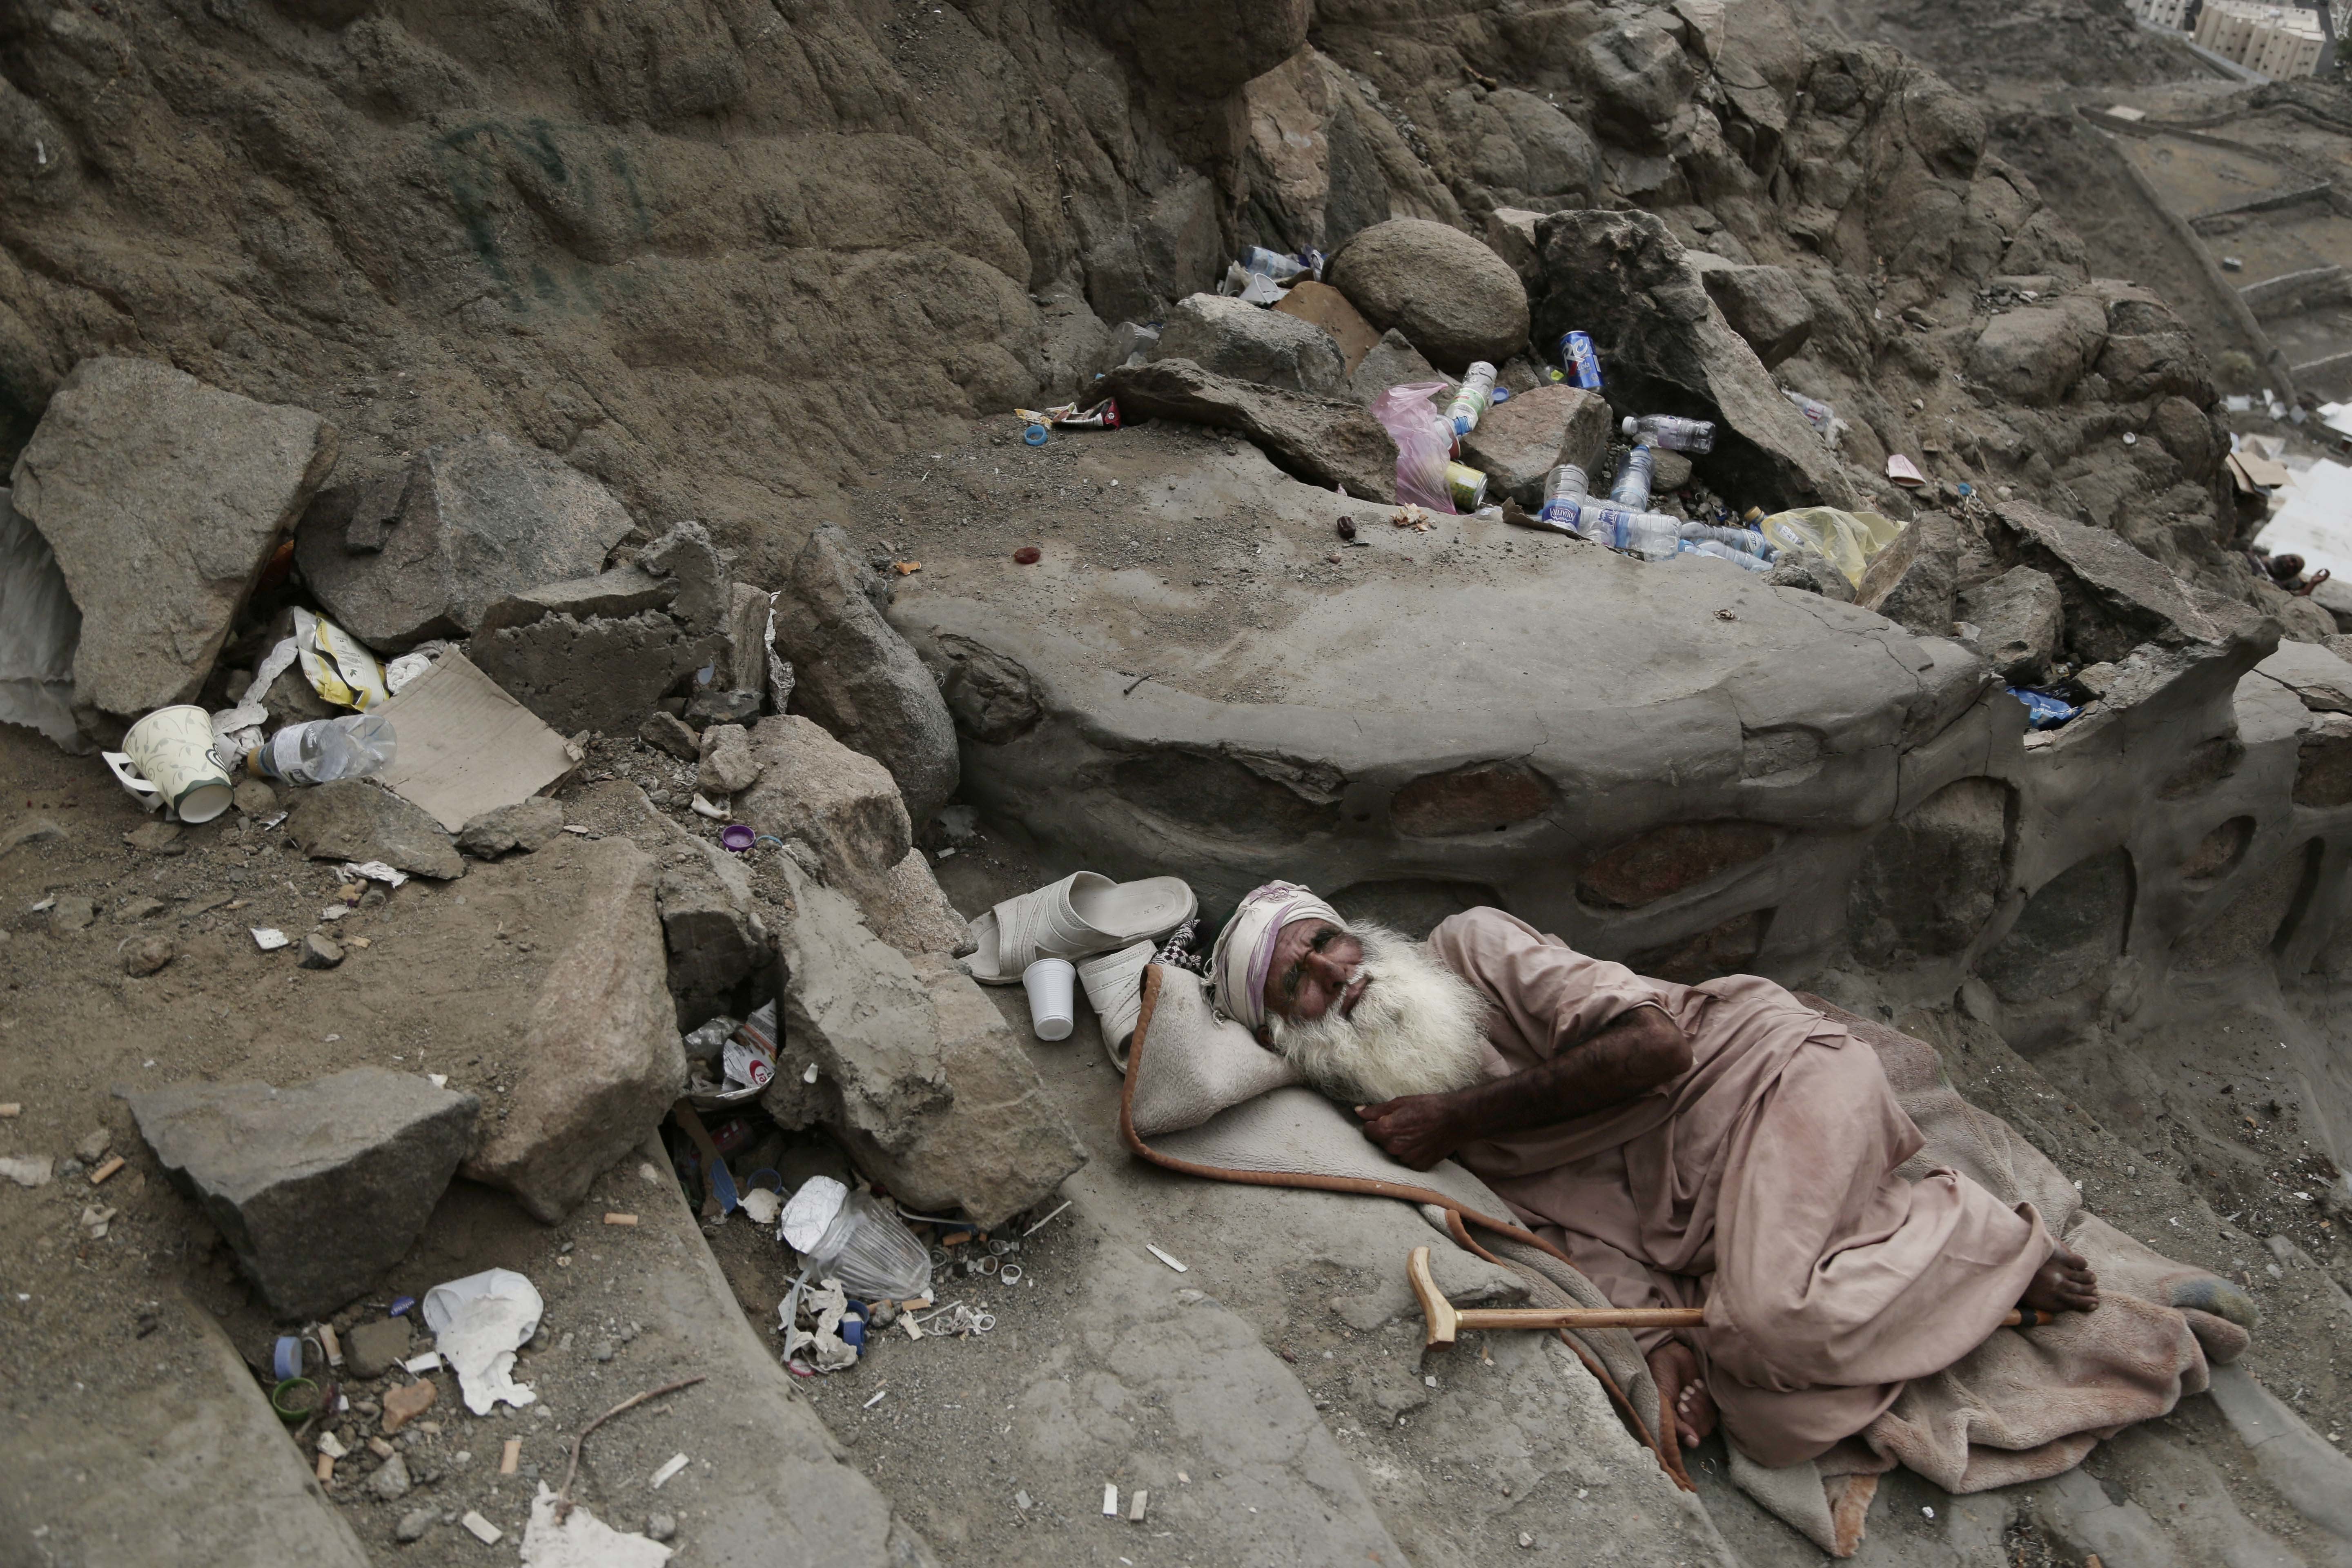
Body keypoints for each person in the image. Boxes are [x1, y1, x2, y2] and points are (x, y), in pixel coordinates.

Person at [1207, 882, 2100, 1468]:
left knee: (1770, 1323)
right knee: (1771, 1427)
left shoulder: (1470, 947)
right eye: (1300, 984)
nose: (1335, 973)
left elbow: (1657, 1047)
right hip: (1717, 1217)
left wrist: (1463, 1115)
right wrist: (1663, 1351)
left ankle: (1987, 1240)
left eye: (1326, 943)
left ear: (1356, 932)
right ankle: (1890, 1244)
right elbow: (1568, 1229)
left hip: (1775, 1082)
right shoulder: (1402, 1118)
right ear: (1292, 1035)